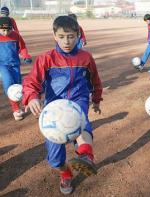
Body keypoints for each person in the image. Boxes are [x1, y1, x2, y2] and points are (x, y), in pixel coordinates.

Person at [22, 16, 103, 195]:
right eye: (61, 36)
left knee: (81, 123)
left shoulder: (86, 57)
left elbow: (95, 80)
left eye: (71, 36)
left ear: (78, 35)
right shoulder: (46, 59)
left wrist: (96, 99)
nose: (66, 41)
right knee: (55, 158)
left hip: (77, 100)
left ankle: (86, 155)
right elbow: (31, 82)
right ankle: (65, 173)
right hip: (53, 109)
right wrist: (32, 97)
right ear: (54, 35)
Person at [0, 17, 32, 121]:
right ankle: (16, 109)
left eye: (8, 30)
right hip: (3, 65)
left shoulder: (16, 36)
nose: (5, 32)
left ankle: (23, 104)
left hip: (15, 65)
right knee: (9, 84)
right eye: (3, 30)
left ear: (12, 28)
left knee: (18, 86)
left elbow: (22, 48)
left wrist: (26, 56)